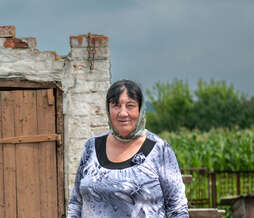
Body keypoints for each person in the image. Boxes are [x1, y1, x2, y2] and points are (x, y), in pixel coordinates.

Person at [68, 79, 189, 217]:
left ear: (141, 109)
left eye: (130, 106)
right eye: (116, 106)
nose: (123, 113)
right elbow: (76, 202)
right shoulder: (92, 147)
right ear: (108, 110)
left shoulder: (159, 150)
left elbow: (177, 209)